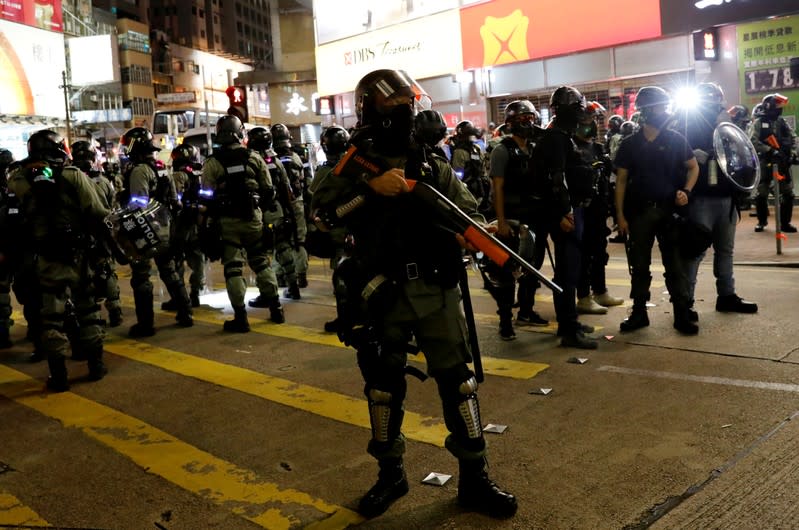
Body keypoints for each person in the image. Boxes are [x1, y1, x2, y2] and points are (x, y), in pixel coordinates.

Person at [312, 69, 517, 519]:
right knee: (383, 391)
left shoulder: (428, 162)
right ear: (373, 107)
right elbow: (320, 222)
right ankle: (391, 475)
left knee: (460, 386)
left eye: (410, 101)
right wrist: (368, 190)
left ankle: (475, 478)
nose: (406, 110)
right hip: (380, 293)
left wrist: (478, 234)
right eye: (396, 103)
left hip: (435, 288)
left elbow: (467, 211)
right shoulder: (351, 164)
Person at [8, 130, 110, 391]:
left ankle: (59, 375)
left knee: (51, 318)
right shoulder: (73, 175)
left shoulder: (19, 179)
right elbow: (98, 213)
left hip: (45, 258)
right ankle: (96, 365)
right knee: (87, 309)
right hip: (78, 254)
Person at [614, 86, 699, 334]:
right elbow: (620, 181)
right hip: (639, 214)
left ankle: (682, 314)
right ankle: (639, 313)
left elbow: (693, 167)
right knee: (639, 267)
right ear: (646, 111)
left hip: (669, 212)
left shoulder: (675, 138)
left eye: (664, 106)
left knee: (674, 267)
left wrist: (687, 191)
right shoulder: (630, 144)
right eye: (658, 107)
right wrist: (620, 216)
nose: (663, 111)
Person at [673, 82, 758, 316]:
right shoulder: (685, 125)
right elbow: (676, 158)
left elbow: (740, 155)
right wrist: (691, 156)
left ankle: (727, 295)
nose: (712, 103)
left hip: (726, 196)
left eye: (714, 99)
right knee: (694, 250)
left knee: (725, 250)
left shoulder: (726, 124)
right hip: (700, 197)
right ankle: (685, 301)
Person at [532, 86, 598, 349]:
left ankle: (569, 322)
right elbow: (556, 180)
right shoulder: (557, 139)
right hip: (563, 214)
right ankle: (569, 329)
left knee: (570, 270)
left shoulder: (559, 136)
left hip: (567, 211)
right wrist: (563, 212)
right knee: (567, 273)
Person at [202, 115, 278, 331]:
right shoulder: (253, 157)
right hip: (253, 219)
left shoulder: (212, 162)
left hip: (228, 224)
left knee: (234, 269)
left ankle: (241, 318)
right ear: (239, 132)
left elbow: (206, 195)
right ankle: (276, 309)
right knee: (261, 262)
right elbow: (269, 189)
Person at [119, 127, 193, 337]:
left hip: (145, 228)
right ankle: (185, 312)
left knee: (141, 276)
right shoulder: (160, 166)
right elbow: (173, 198)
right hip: (164, 226)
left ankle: (146, 324)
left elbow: (138, 203)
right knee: (169, 270)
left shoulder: (139, 170)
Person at [489, 100, 548, 340]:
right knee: (508, 273)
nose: (529, 123)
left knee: (532, 269)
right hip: (512, 220)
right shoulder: (502, 150)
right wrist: (502, 222)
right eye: (524, 119)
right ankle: (505, 321)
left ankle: (526, 310)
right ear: (512, 123)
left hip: (534, 217)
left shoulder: (534, 148)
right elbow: (497, 190)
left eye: (531, 118)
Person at [573, 102, 624, 315]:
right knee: (583, 254)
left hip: (598, 208)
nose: (592, 125)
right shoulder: (571, 147)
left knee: (599, 251)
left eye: (594, 120)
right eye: (587, 121)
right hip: (581, 209)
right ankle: (583, 296)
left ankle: (600, 291)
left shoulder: (596, 147)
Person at [71, 140, 124, 328]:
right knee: (107, 272)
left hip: (79, 237)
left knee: (84, 278)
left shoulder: (71, 180)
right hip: (103, 234)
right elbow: (113, 207)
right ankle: (115, 308)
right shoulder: (104, 181)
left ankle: (90, 317)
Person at [246, 126, 295, 323]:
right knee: (283, 247)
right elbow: (286, 188)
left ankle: (268, 294)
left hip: (262, 214)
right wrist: (289, 213)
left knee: (262, 255)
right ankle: (294, 286)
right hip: (278, 211)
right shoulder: (275, 160)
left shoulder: (251, 160)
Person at [749, 93, 798, 233]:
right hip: (766, 162)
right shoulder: (758, 123)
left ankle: (785, 224)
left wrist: (793, 153)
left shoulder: (782, 122)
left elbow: (793, 138)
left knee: (788, 194)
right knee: (762, 193)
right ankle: (761, 221)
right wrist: (769, 149)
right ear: (769, 106)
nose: (779, 109)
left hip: (782, 162)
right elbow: (752, 141)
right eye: (777, 106)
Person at [271, 124, 309, 294]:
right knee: (298, 240)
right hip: (297, 203)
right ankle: (301, 275)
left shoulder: (270, 160)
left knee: (279, 242)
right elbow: (307, 181)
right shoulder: (297, 156)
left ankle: (281, 276)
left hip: (278, 205)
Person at [168, 143, 206, 309]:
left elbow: (174, 201)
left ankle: (180, 297)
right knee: (197, 261)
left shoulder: (178, 176)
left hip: (181, 225)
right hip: (197, 223)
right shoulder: (199, 174)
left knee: (177, 261)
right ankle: (195, 293)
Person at [451, 120, 491, 213]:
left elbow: (458, 177)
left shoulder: (459, 152)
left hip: (469, 191)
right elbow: (483, 169)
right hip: (481, 189)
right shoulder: (476, 148)